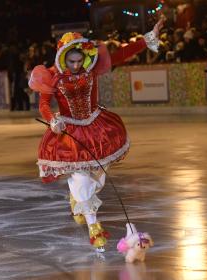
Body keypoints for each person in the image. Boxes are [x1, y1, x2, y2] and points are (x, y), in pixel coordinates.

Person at [29, 19, 164, 252]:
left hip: (97, 127)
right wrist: (53, 119)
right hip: (70, 132)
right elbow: (43, 103)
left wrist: (147, 38)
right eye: (71, 61)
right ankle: (94, 228)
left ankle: (78, 201)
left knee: (97, 180)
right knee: (81, 179)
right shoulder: (51, 75)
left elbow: (122, 54)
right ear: (62, 57)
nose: (76, 64)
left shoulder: (91, 68)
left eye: (79, 60)